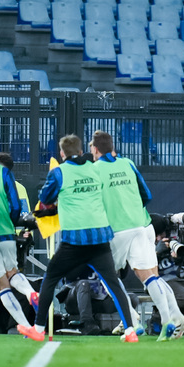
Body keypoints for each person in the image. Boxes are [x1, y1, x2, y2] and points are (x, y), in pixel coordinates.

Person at [17, 135, 139, 342]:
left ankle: (38, 329)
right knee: (114, 284)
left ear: (62, 153)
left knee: (50, 278)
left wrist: (55, 205)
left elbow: (45, 198)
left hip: (74, 240)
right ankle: (130, 331)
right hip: (100, 238)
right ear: (82, 151)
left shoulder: (59, 172)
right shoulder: (96, 168)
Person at [90, 131, 184, 341]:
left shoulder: (94, 170)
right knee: (151, 276)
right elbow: (147, 195)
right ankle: (172, 318)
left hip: (116, 229)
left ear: (95, 149)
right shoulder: (128, 163)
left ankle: (132, 320)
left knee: (106, 276)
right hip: (143, 225)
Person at [0, 154, 35, 330]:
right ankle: (31, 293)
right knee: (13, 273)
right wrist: (11, 225)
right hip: (10, 235)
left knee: (2, 284)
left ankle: (23, 325)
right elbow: (20, 210)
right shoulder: (12, 181)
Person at [150, 213, 184, 328]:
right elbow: (143, 266)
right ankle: (157, 318)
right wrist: (157, 252)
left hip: (183, 276)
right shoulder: (145, 242)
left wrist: (179, 256)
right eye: (156, 235)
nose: (159, 238)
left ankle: (182, 319)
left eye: (161, 234)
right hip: (162, 279)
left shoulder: (174, 237)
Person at [57, 266, 116, 335]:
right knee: (83, 284)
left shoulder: (103, 257)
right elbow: (69, 275)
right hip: (74, 300)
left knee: (131, 297)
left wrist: (122, 263)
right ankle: (87, 324)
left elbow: (122, 274)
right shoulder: (71, 255)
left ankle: (127, 326)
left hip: (99, 300)